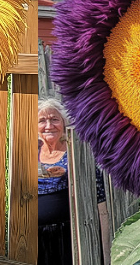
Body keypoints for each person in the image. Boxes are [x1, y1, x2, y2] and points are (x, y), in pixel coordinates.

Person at [38, 97, 109, 265]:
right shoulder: (30, 153)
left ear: (64, 123)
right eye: (42, 121)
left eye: (54, 119)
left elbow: (99, 197)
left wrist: (68, 174)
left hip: (71, 236)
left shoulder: (76, 152)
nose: (49, 126)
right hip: (38, 239)